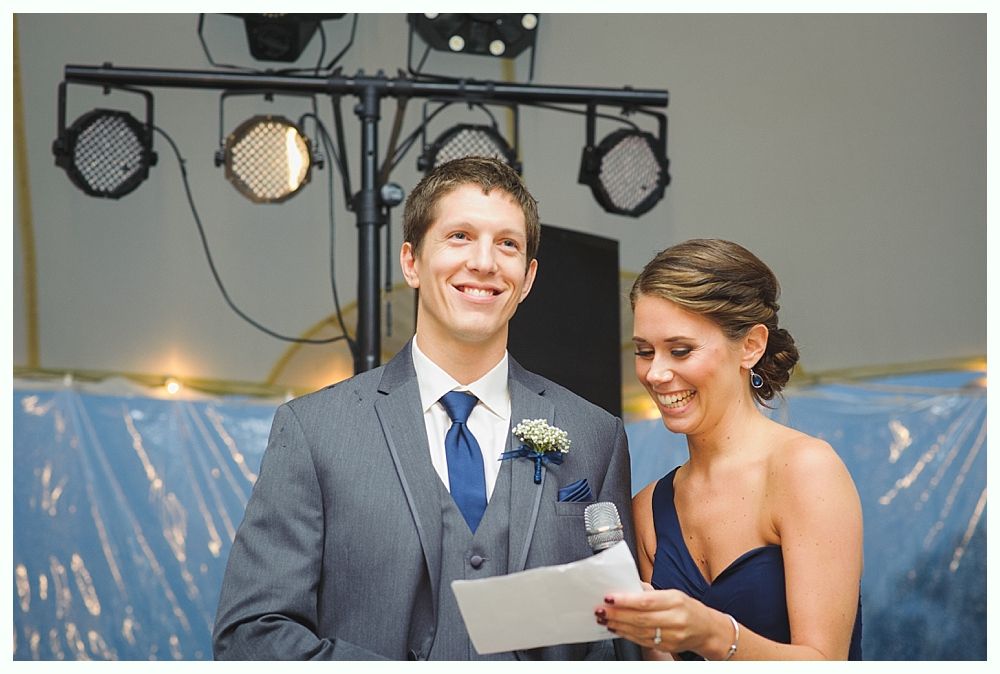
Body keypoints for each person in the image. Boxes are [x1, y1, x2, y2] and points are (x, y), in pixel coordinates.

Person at [213, 156, 636, 660]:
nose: (484, 262)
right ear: (411, 262)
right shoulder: (315, 430)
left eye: (507, 244)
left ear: (527, 278)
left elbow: (619, 640)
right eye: (459, 236)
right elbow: (252, 635)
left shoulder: (594, 435)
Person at [596, 239, 863, 660]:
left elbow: (826, 662)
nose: (657, 373)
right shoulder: (648, 508)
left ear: (752, 346)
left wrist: (712, 634)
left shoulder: (806, 471)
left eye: (680, 350)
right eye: (644, 352)